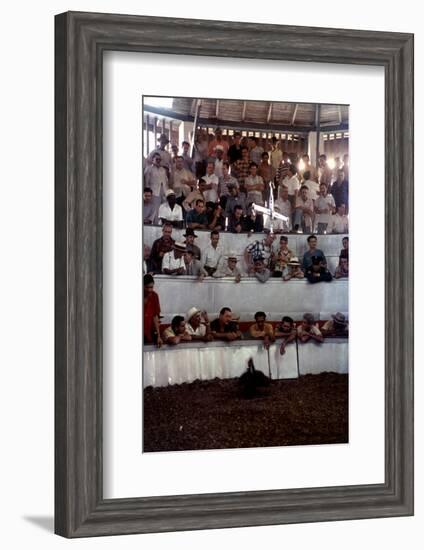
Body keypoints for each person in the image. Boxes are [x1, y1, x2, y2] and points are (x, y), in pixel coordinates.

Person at [143, 274, 162, 346]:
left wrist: (158, 336)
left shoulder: (155, 296)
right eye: (146, 287)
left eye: (151, 287)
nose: (149, 290)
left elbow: (155, 316)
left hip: (148, 333)